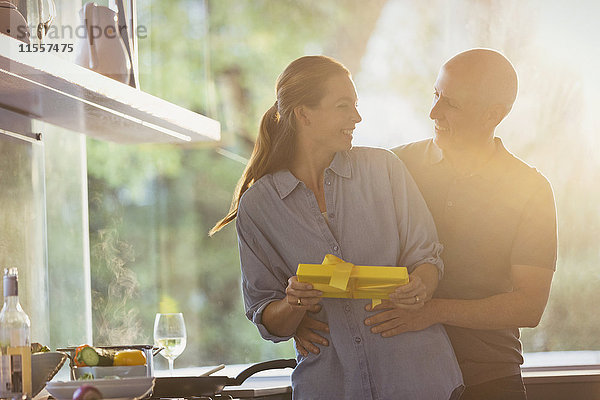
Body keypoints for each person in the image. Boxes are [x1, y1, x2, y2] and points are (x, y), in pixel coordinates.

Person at [295, 49, 558, 400]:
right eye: (436, 95)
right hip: (402, 376)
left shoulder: (531, 189)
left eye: (452, 104)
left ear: (495, 114)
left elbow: (529, 305)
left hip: (488, 379)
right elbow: (333, 244)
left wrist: (432, 312)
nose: (433, 112)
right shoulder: (393, 166)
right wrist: (298, 317)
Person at [210, 55, 464, 400]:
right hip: (331, 386)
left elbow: (428, 258)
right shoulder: (259, 206)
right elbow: (268, 317)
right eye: (344, 106)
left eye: (356, 105)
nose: (357, 117)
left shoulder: (383, 169)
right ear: (304, 114)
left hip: (418, 378)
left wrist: (419, 287)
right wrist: (294, 304)